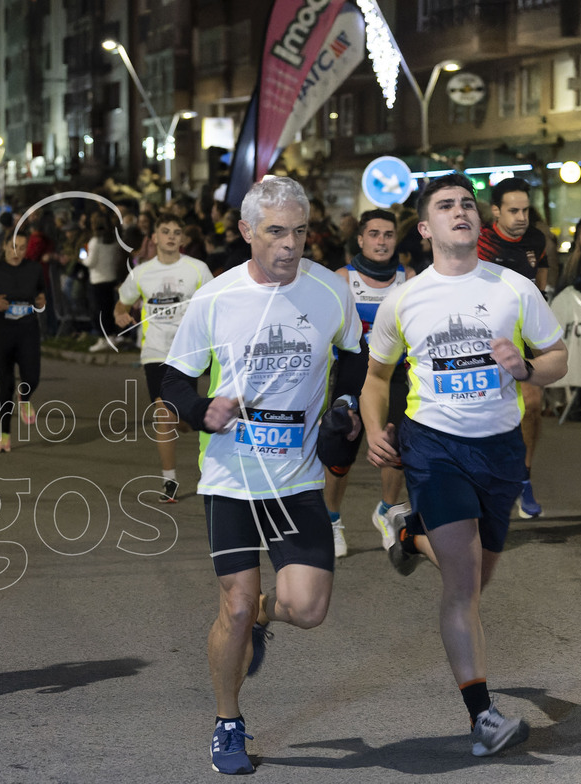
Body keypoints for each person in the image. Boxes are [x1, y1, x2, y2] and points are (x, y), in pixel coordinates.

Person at [159, 177, 363, 775]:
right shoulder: (217, 298)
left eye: (300, 231)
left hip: (297, 479)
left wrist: (345, 405)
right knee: (236, 603)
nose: (290, 245)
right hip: (231, 477)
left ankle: (262, 620)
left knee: (307, 608)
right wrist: (201, 411)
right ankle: (228, 723)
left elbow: (352, 356)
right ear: (247, 231)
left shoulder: (330, 289)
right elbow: (173, 381)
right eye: (276, 231)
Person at [363, 173, 567, 757]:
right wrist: (377, 430)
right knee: (461, 583)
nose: (461, 211)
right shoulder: (404, 298)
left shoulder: (515, 287)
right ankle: (483, 718)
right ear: (426, 228)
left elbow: (557, 357)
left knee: (476, 581)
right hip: (435, 447)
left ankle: (405, 531)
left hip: (500, 450)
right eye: (447, 205)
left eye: (468, 204)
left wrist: (526, 368)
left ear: (479, 222)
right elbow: (378, 378)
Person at [322, 209, 415, 556]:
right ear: (360, 239)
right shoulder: (341, 279)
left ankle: (388, 511)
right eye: (374, 234)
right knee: (339, 452)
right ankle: (332, 521)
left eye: (388, 235)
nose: (381, 241)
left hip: (394, 375)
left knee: (395, 445)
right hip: (352, 372)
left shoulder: (410, 278)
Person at [114, 213, 212, 503]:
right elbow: (123, 303)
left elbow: (214, 303)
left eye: (177, 231)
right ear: (154, 238)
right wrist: (120, 314)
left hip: (188, 352)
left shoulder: (197, 269)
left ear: (182, 239)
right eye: (165, 231)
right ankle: (169, 481)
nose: (171, 236)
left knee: (182, 418)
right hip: (155, 352)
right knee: (164, 414)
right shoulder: (142, 272)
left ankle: (189, 419)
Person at [476, 177, 549, 518]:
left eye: (526, 210)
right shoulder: (479, 241)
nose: (522, 217)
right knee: (491, 409)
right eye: (513, 210)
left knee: (532, 406)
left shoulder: (536, 239)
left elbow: (541, 282)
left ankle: (524, 476)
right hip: (487, 334)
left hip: (526, 331)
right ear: (496, 211)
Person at [0, 230, 46, 453]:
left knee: (32, 377)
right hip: (0, 332)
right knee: (6, 384)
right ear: (4, 247)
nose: (17, 253)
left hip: (28, 330)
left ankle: (25, 396)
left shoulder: (33, 269)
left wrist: (41, 301)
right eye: (13, 247)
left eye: (22, 248)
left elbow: (41, 296)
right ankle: (4, 436)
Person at [83, 212, 126, 352]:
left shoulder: (95, 242)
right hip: (111, 278)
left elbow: (91, 262)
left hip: (98, 279)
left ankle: (104, 337)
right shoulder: (113, 240)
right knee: (109, 309)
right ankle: (112, 335)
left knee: (99, 311)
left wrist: (82, 259)